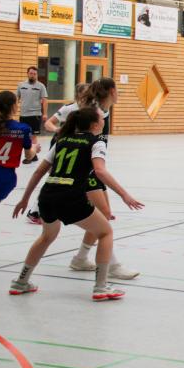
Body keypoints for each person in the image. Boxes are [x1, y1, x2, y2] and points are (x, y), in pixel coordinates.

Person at [10, 107, 144, 301]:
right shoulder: (96, 142)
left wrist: (24, 199)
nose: (104, 121)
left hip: (47, 195)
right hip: (70, 196)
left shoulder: (62, 140)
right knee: (105, 232)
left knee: (46, 237)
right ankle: (101, 287)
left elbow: (39, 172)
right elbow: (100, 171)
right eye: (102, 118)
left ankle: (21, 282)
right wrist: (125, 195)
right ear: (95, 124)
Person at [63, 78, 139, 279]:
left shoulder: (103, 111)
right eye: (118, 90)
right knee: (102, 215)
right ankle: (112, 266)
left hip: (93, 168)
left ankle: (80, 258)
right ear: (112, 91)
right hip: (85, 171)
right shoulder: (93, 112)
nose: (119, 93)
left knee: (103, 216)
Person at [23, 83, 90, 225]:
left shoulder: (91, 110)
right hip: (61, 144)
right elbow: (48, 123)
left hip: (76, 146)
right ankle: (35, 211)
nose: (87, 97)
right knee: (54, 177)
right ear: (78, 95)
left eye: (89, 94)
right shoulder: (69, 108)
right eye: (84, 94)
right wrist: (58, 130)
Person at [0, 92, 40, 227]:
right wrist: (35, 148)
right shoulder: (22, 129)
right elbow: (29, 156)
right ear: (14, 106)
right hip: (6, 176)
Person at [16, 66, 48, 161]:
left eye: (34, 74)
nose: (33, 75)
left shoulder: (41, 86)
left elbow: (45, 100)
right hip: (23, 115)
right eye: (31, 73)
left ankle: (32, 156)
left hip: (35, 115)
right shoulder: (21, 85)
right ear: (27, 74)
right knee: (24, 136)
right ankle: (29, 154)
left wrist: (45, 113)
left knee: (33, 136)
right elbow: (16, 98)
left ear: (36, 75)